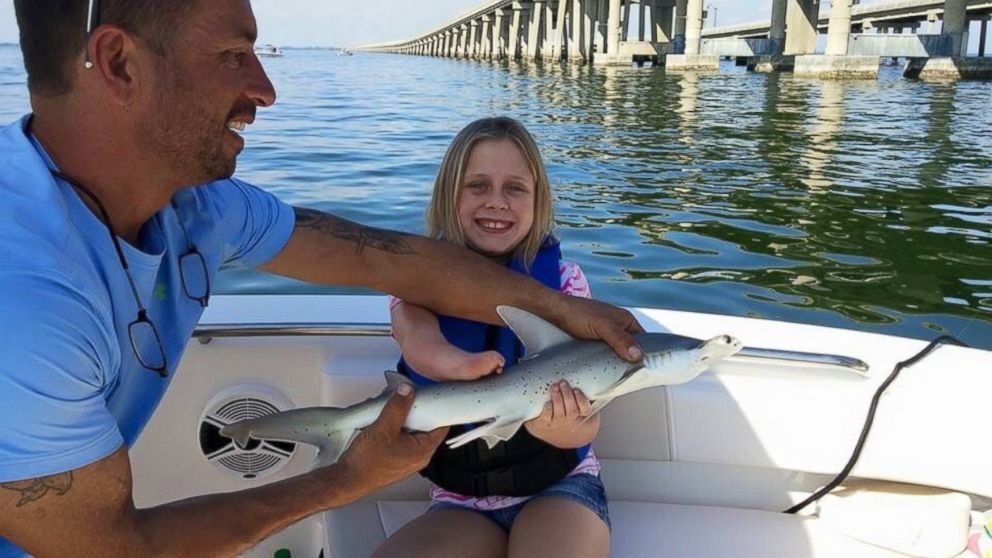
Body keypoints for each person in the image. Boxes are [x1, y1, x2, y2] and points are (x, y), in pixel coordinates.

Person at [0, 2, 644, 557]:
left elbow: (379, 258)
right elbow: (109, 548)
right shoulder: (26, 295)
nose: (266, 88)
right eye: (233, 54)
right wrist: (346, 477)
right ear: (118, 62)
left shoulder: (199, 208)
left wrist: (560, 310)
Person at [375, 117, 610, 558]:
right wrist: (460, 366)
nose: (497, 202)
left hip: (559, 486)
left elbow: (590, 422)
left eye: (515, 189)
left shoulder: (566, 286)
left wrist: (556, 426)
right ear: (449, 194)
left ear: (539, 201)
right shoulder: (419, 283)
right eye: (477, 185)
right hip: (458, 501)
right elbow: (416, 338)